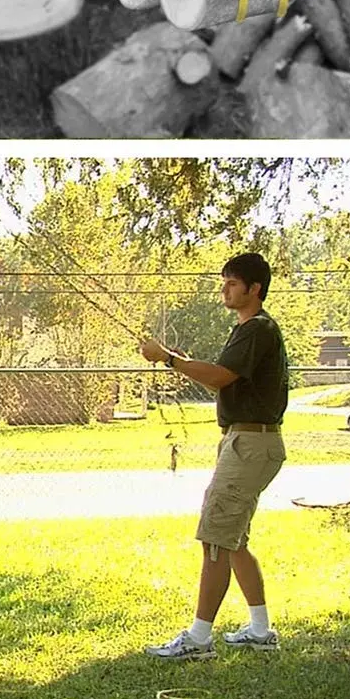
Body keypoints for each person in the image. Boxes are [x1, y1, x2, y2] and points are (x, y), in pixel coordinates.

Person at [138, 253, 289, 661]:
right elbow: (220, 381)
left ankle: (199, 640)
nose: (224, 289)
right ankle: (260, 630)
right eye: (223, 282)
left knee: (216, 540)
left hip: (250, 444)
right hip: (245, 441)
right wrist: (178, 361)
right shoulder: (248, 331)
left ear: (254, 289)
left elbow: (220, 377)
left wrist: (168, 359)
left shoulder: (257, 329)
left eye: (232, 283)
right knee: (233, 540)